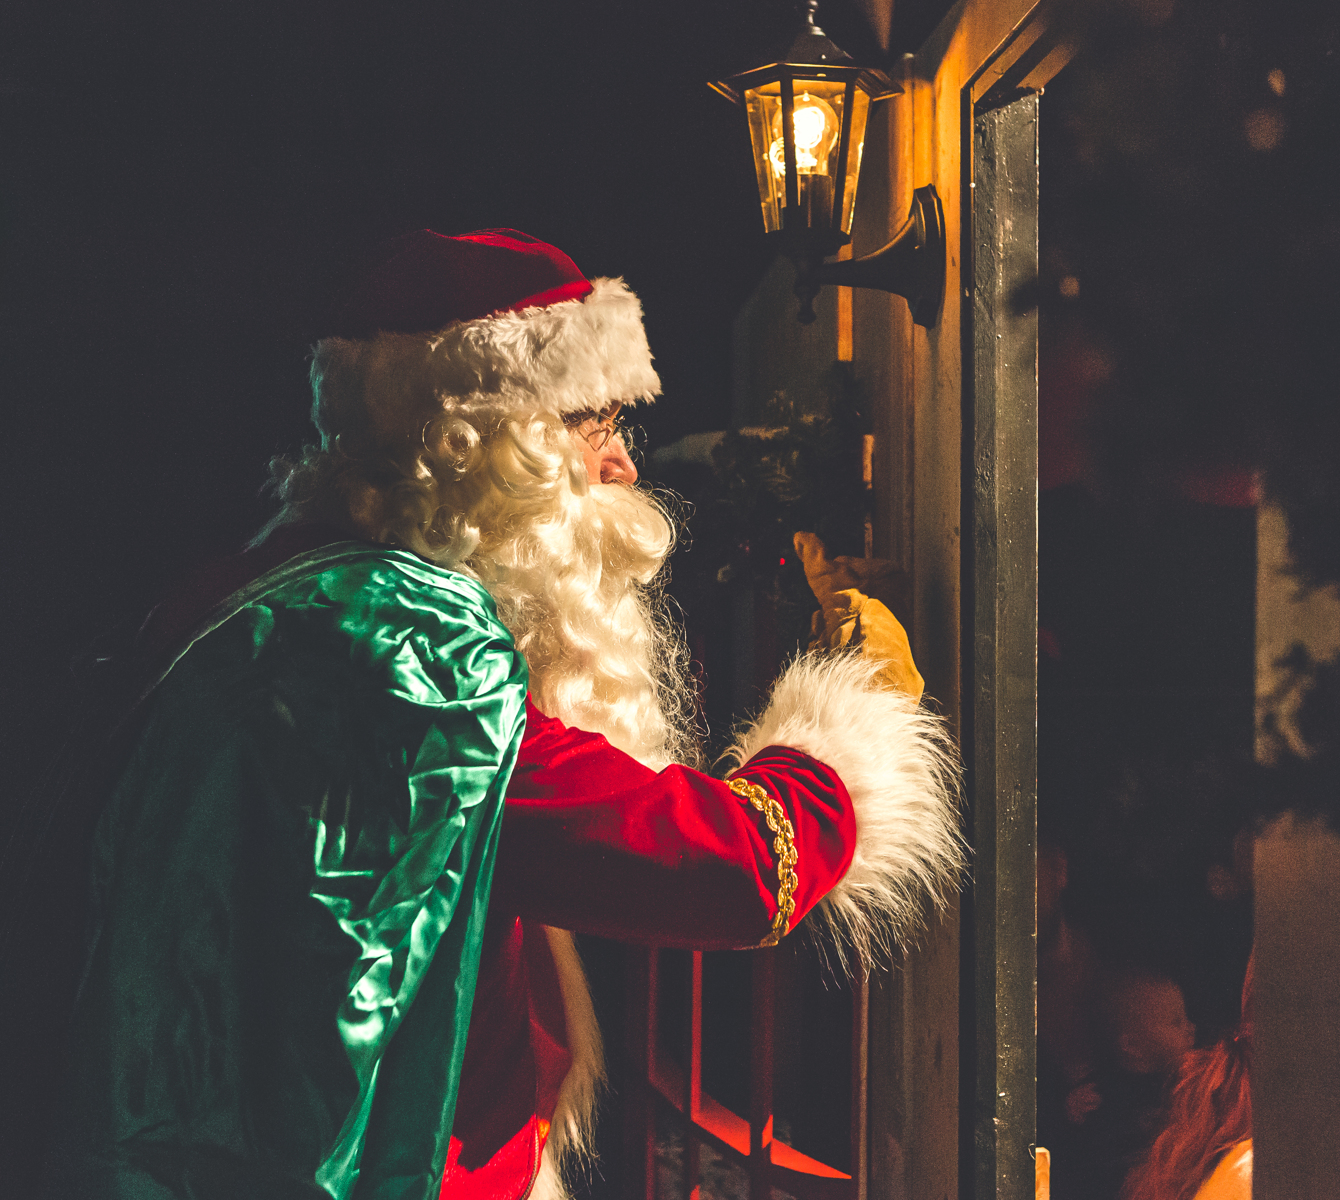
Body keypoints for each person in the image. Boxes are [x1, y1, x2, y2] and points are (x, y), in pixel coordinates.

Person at [8, 229, 961, 1200]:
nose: (626, 468)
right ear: (494, 449)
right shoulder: (396, 659)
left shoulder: (270, 601)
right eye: (598, 425)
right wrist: (857, 706)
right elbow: (736, 867)